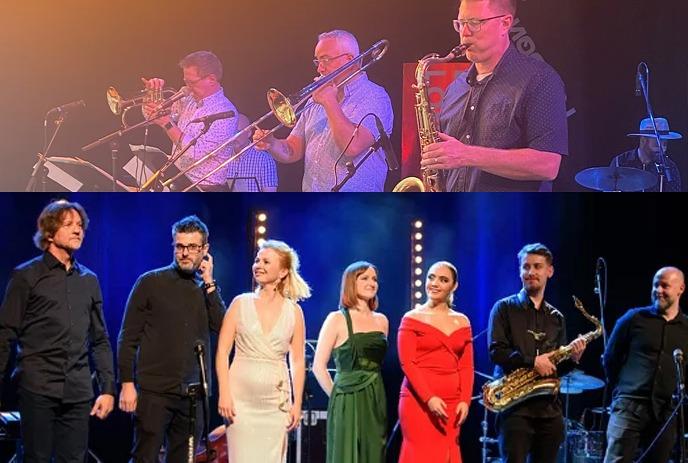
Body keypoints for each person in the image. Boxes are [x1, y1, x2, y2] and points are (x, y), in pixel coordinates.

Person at [0, 200, 115, 462]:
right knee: (36, 458)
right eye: (68, 225)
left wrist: (108, 389)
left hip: (78, 391)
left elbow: (100, 339)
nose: (78, 231)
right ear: (50, 233)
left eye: (80, 226)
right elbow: (4, 334)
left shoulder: (89, 280)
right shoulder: (26, 276)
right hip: (37, 388)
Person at [422, 0, 568, 192]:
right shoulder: (454, 89)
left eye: (474, 22)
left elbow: (548, 165)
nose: (464, 33)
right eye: (460, 23)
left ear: (505, 23)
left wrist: (467, 155)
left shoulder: (539, 79)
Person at [117, 215, 226, 462]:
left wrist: (210, 284)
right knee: (145, 457)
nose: (185, 253)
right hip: (154, 392)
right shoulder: (150, 282)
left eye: (192, 247)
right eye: (180, 246)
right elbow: (128, 337)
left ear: (205, 250)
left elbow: (222, 326)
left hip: (193, 397)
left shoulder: (205, 289)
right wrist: (126, 383)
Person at [254, 29, 394, 192]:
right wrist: (272, 144)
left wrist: (329, 102)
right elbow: (293, 150)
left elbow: (352, 147)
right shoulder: (315, 100)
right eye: (317, 61)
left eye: (325, 60)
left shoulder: (375, 96)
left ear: (350, 60)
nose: (320, 68)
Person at [488, 243, 586, 463]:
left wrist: (573, 359)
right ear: (520, 271)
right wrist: (533, 361)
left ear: (549, 271)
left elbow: (555, 369)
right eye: (526, 267)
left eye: (537, 266)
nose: (531, 272)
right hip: (515, 409)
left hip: (549, 412)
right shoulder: (503, 308)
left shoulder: (557, 317)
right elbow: (496, 352)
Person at [215, 240, 310, 463]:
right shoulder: (240, 303)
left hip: (275, 404)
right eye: (257, 260)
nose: (258, 265)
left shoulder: (294, 312)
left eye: (266, 261)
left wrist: (296, 404)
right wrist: (225, 393)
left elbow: (296, 360)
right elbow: (222, 351)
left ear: (283, 271)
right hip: (240, 404)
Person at [602, 267, 688, 463]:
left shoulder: (686, 328)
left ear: (680, 289)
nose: (658, 290)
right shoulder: (633, 318)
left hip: (666, 412)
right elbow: (610, 358)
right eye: (655, 285)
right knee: (617, 459)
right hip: (629, 406)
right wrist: (621, 390)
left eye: (665, 285)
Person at [312, 261, 389, 463]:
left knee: (373, 454)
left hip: (375, 398)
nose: (371, 283)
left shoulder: (382, 320)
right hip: (346, 398)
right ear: (350, 283)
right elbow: (318, 366)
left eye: (374, 279)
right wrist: (337, 398)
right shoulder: (336, 319)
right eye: (364, 278)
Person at [397, 261, 473, 463]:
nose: (435, 283)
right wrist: (429, 398)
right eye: (431, 277)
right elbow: (407, 363)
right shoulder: (412, 318)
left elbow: (466, 366)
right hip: (418, 402)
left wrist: (465, 400)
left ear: (454, 286)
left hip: (452, 404)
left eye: (443, 279)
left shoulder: (462, 321)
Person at [142, 50, 238, 191]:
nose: (187, 87)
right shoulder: (188, 99)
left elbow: (196, 153)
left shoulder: (226, 113)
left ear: (211, 79)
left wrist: (167, 124)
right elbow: (152, 118)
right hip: (179, 181)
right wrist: (152, 96)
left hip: (206, 189)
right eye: (185, 81)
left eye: (191, 82)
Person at [609, 117, 683, 192]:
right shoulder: (620, 162)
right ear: (643, 140)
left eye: (665, 144)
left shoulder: (669, 167)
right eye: (657, 144)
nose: (663, 149)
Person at [226, 113, 278, 192]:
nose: (234, 136)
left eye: (238, 132)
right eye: (231, 131)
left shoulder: (264, 159)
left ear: (249, 133)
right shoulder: (223, 156)